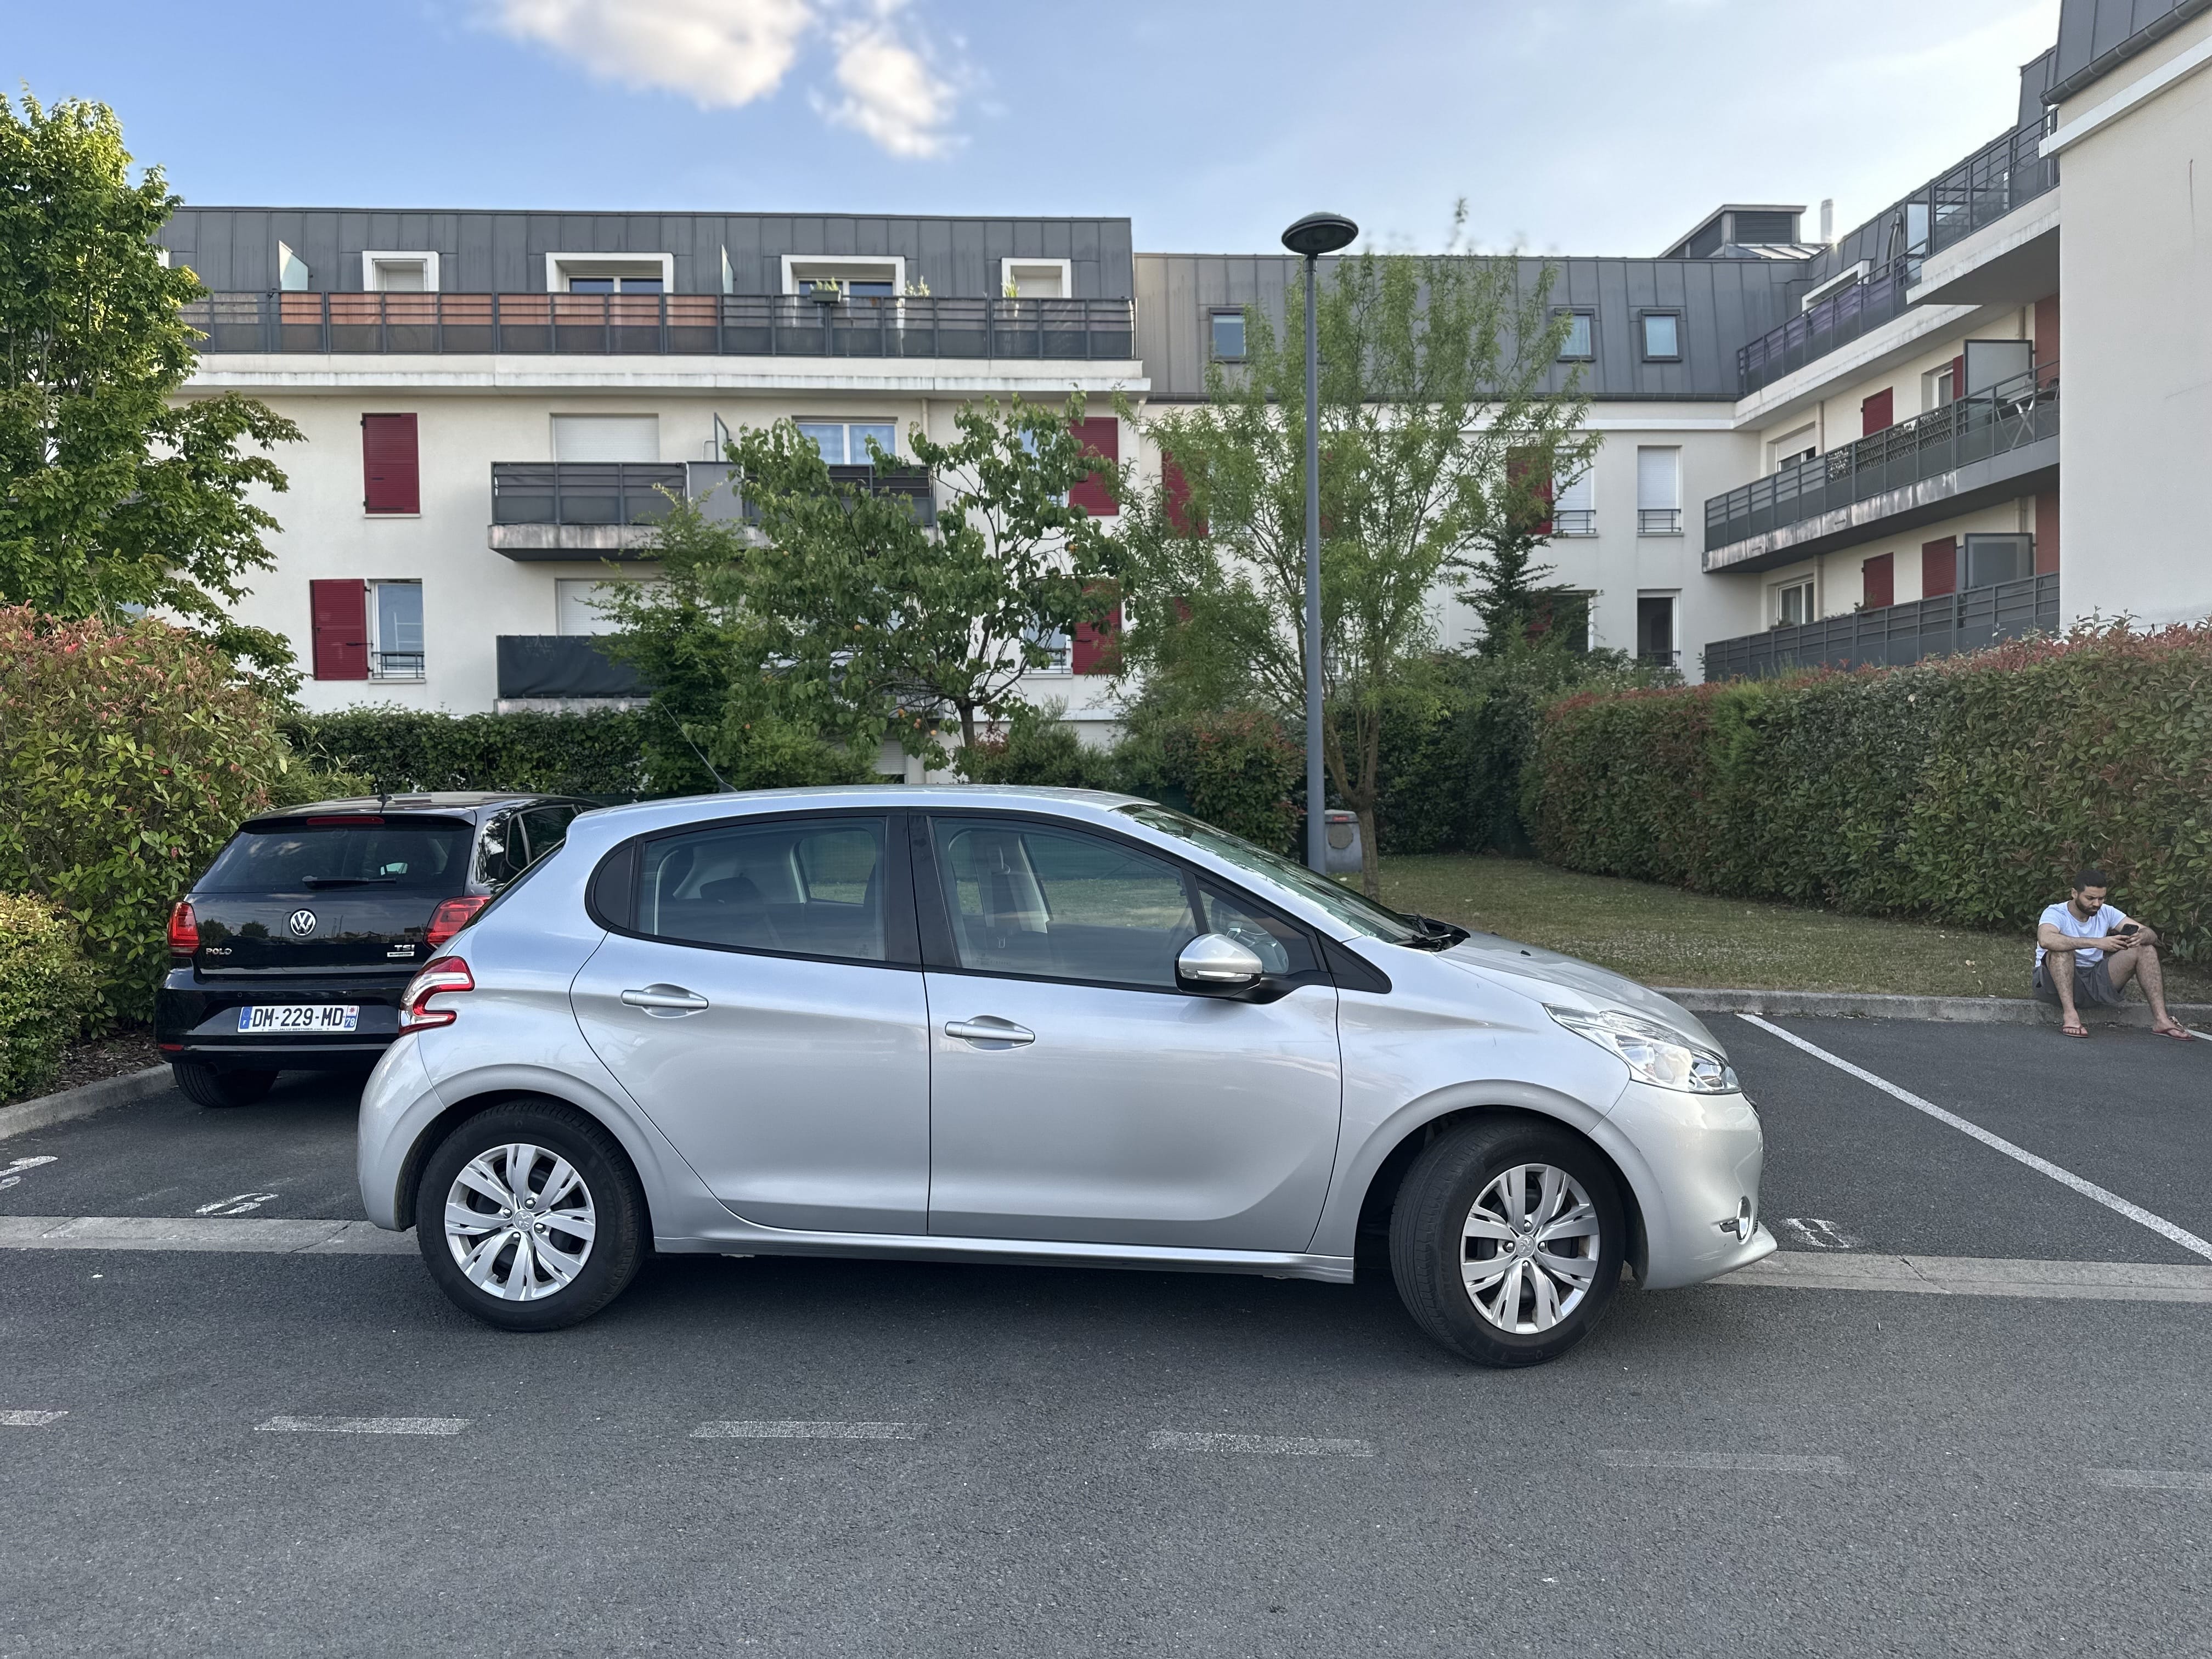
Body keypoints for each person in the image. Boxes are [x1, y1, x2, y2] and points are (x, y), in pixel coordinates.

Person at [2033, 867, 2190, 1040]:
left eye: (2101, 898)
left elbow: (2150, 934)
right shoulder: (2056, 912)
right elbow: (2046, 939)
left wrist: (2141, 936)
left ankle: (2161, 1020)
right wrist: (2097, 942)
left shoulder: (2106, 911)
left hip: (2094, 980)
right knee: (2060, 951)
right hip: (2053, 985)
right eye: (2090, 898)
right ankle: (2070, 1016)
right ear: (2074, 893)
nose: (2097, 904)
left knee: (2146, 949)